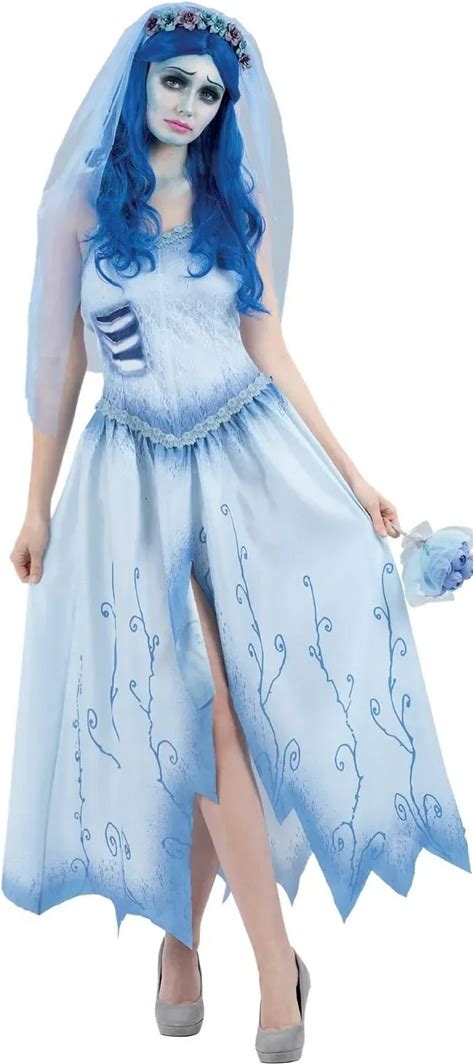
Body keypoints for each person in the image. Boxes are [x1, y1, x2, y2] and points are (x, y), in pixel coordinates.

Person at [2, 5, 470, 1062]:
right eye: (174, 80)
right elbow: (58, 359)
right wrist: (33, 500)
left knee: (225, 720)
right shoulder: (82, 206)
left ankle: (218, 952)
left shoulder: (228, 205)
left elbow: (269, 346)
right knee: (191, 713)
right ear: (140, 78)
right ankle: (256, 958)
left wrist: (354, 475)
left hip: (245, 465)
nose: (190, 104)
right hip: (131, 483)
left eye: (210, 92)